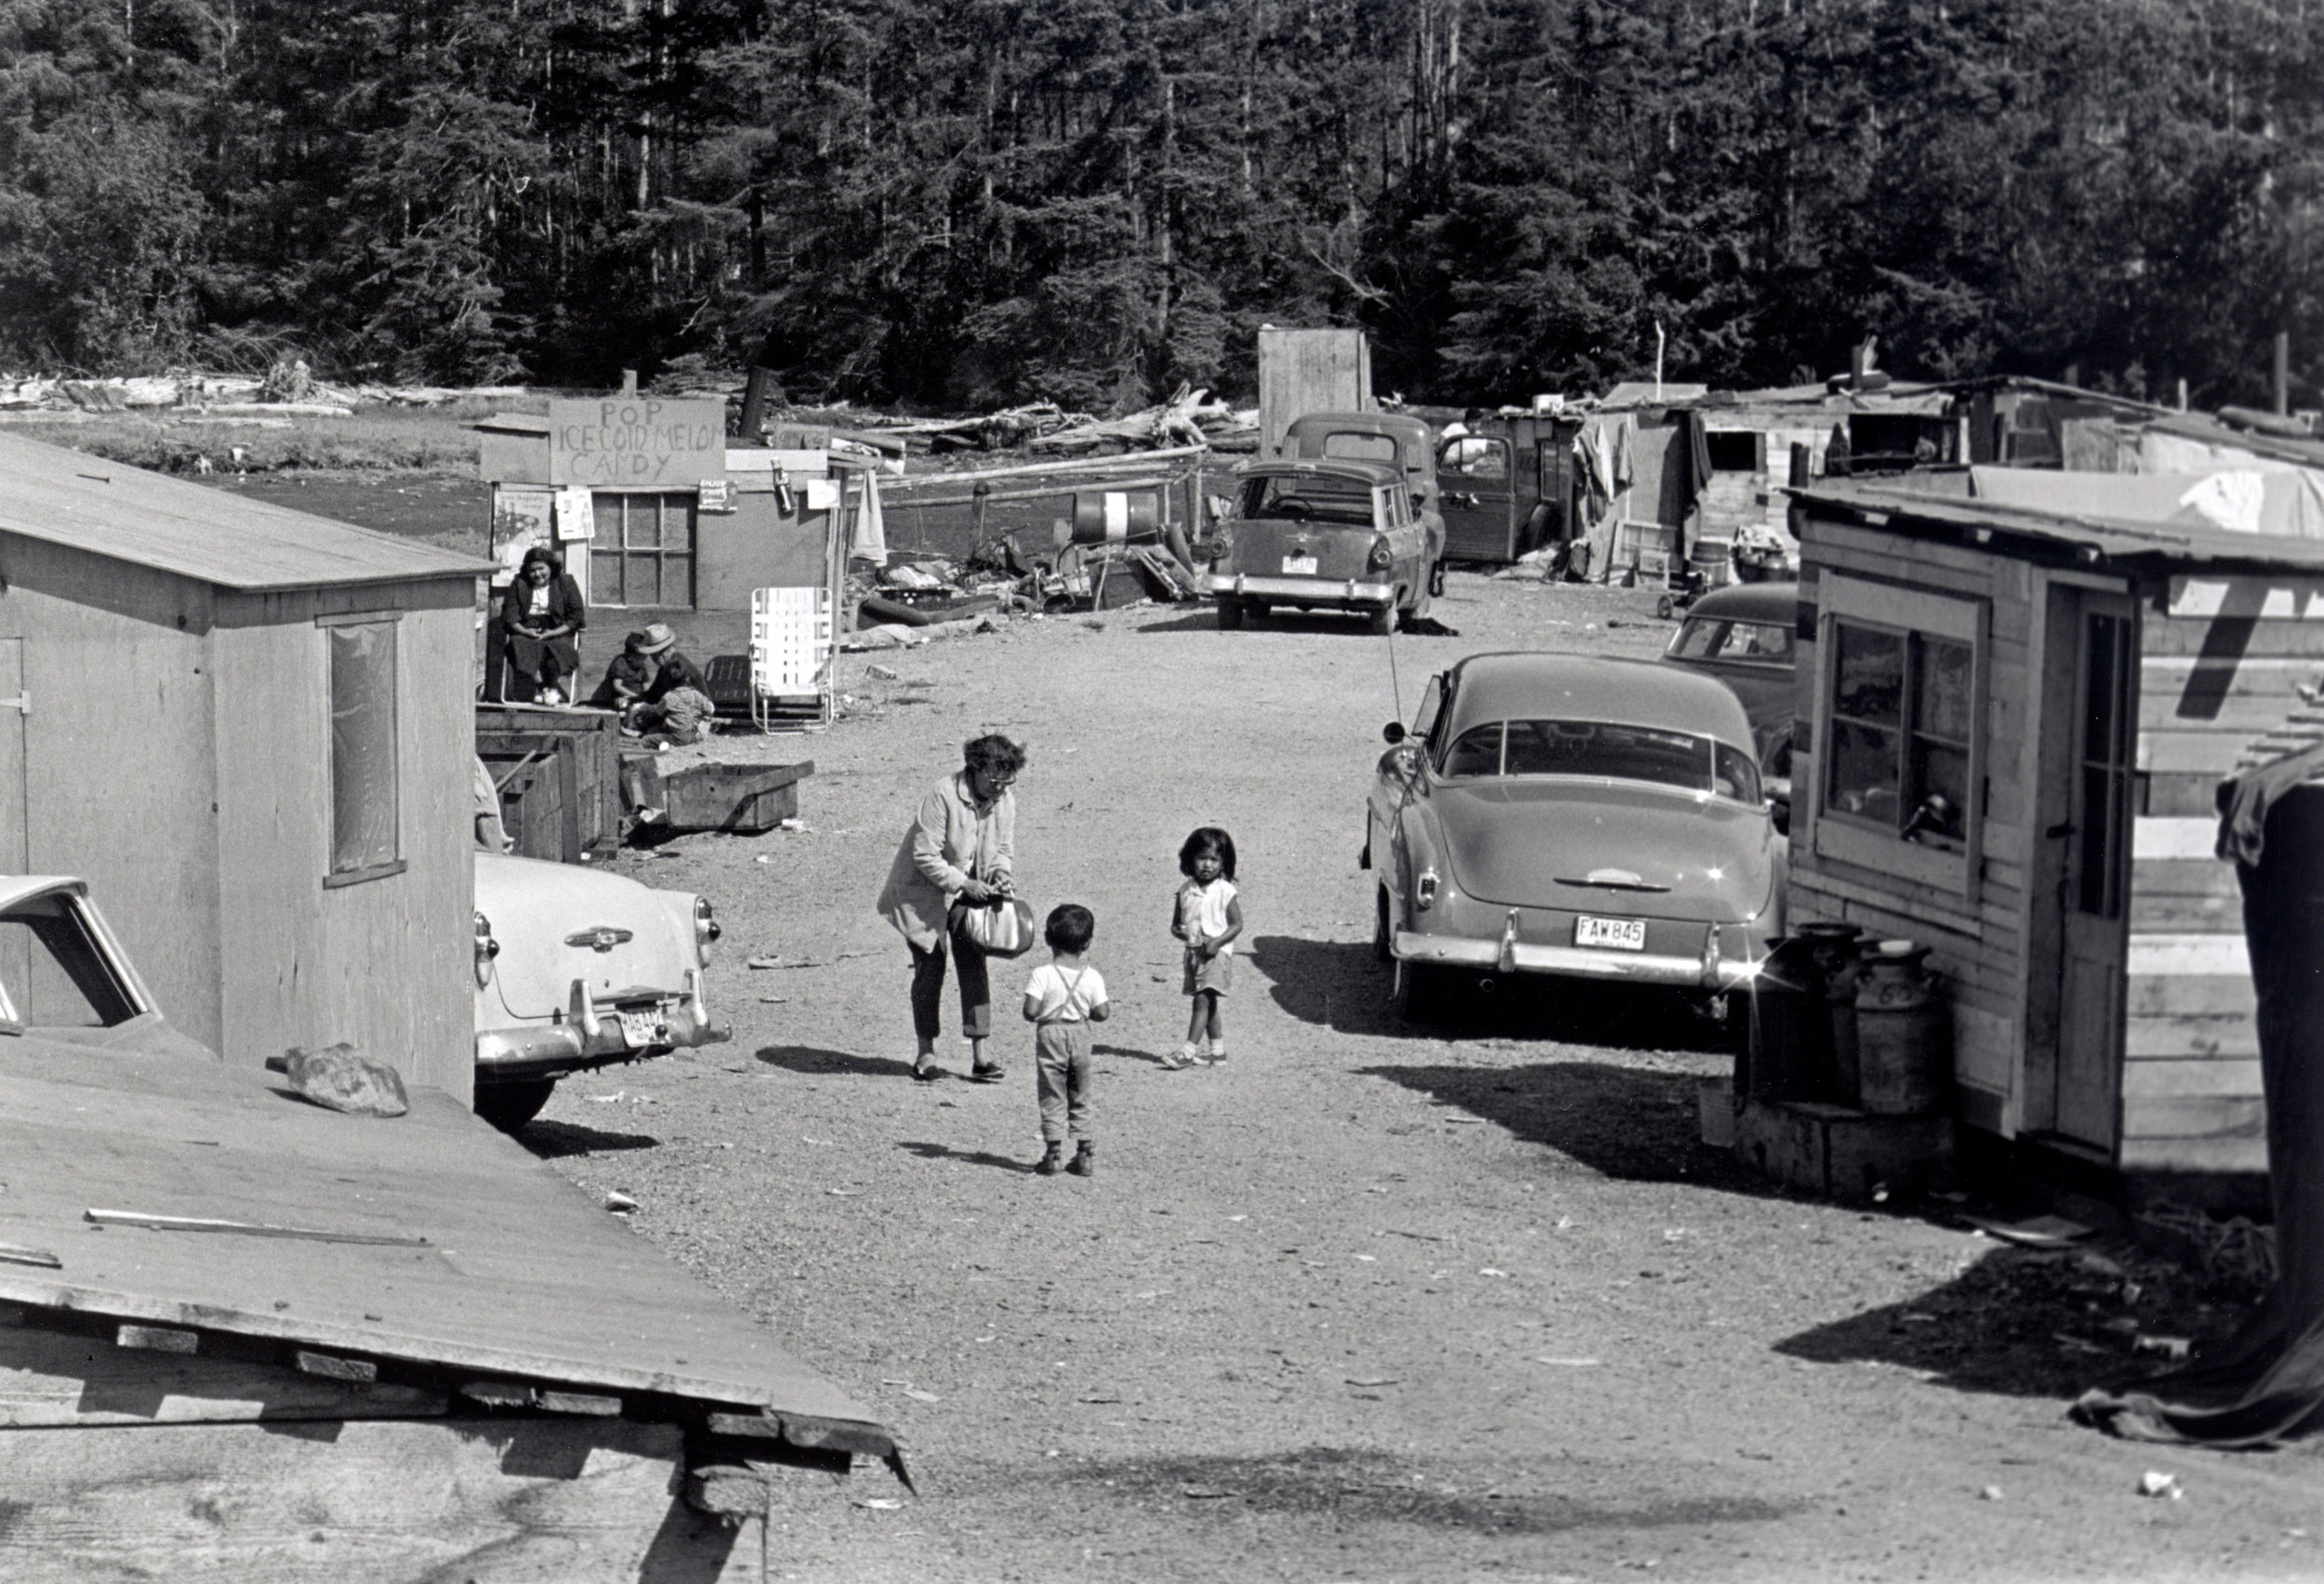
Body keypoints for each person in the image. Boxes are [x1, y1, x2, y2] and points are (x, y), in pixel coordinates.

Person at [876, 733, 1026, 1083]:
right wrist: (963, 883)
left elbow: (1003, 849)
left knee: (974, 961)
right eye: (994, 781)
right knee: (931, 967)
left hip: (971, 890)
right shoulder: (942, 794)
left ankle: (981, 1055)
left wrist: (1001, 873)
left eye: (1008, 782)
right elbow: (925, 855)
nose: (1001, 789)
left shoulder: (1005, 801)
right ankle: (925, 1053)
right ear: (975, 769)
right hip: (923, 891)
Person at [1022, 904, 1110, 1177]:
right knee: (1081, 1094)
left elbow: (1031, 1011)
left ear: (1047, 939)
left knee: (1052, 1093)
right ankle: (1084, 1154)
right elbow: (1102, 1013)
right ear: (1088, 943)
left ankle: (1053, 1155)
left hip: (1051, 1035)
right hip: (1080, 1035)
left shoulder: (1042, 974)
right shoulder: (1092, 976)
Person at [1168, 826, 1244, 1069]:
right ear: (1190, 859)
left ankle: (1187, 1052)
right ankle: (1217, 1052)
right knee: (1208, 1002)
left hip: (1216, 954)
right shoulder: (1184, 890)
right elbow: (1176, 924)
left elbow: (1237, 924)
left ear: (1224, 863)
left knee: (1201, 999)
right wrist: (1181, 932)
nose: (1207, 865)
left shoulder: (1225, 891)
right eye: (1202, 858)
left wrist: (1218, 942)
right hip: (1193, 953)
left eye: (1214, 859)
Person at [499, 548, 586, 703]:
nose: (537, 574)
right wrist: (525, 631)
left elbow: (576, 616)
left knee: (556, 650)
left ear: (551, 567)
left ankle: (548, 689)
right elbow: (510, 615)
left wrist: (553, 633)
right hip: (528, 628)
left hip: (557, 629)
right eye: (532, 570)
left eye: (541, 568)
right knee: (517, 644)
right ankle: (545, 688)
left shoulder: (566, 582)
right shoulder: (519, 583)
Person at [627, 623, 717, 744]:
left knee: (646, 723)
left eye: (659, 652)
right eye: (653, 654)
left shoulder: (679, 669)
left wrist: (643, 708)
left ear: (668, 649)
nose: (655, 657)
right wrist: (635, 700)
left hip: (688, 722)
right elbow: (654, 693)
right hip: (676, 715)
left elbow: (703, 703)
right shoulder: (666, 667)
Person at [588, 631, 659, 718]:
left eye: (644, 657)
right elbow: (617, 686)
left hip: (639, 697)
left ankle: (639, 711)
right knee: (622, 704)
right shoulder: (621, 663)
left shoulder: (641, 665)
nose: (644, 659)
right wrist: (634, 696)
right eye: (640, 657)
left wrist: (646, 696)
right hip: (624, 696)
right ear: (630, 656)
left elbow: (646, 685)